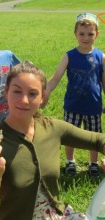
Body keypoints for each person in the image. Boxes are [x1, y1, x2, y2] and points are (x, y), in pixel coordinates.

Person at [0, 61, 105, 220]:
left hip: (58, 214)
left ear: (42, 96)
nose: (24, 100)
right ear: (6, 91)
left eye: (32, 93)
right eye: (17, 91)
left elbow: (98, 140)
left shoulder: (51, 128)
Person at [43, 13, 105, 176]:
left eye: (90, 34)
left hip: (93, 106)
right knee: (70, 136)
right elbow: (56, 77)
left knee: (94, 136)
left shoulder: (101, 56)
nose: (86, 38)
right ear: (75, 34)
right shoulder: (69, 56)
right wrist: (46, 91)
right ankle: (70, 161)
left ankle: (93, 163)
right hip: (73, 105)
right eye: (82, 34)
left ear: (96, 34)